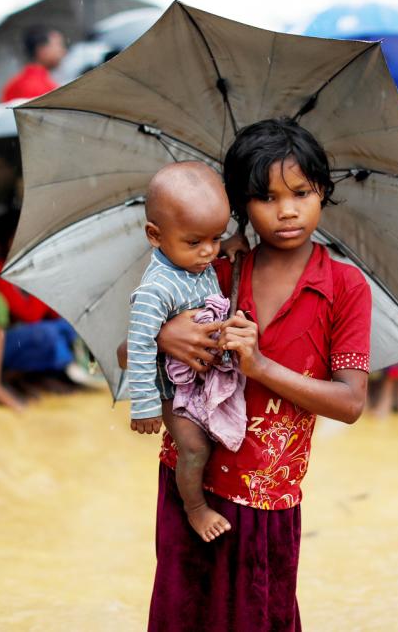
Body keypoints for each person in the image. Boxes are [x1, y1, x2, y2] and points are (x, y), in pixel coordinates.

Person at [142, 118, 371, 630]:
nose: (287, 210)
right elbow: (124, 350)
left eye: (302, 192)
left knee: (259, 617)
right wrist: (165, 337)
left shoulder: (343, 285)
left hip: (268, 497)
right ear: (242, 205)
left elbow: (350, 403)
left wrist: (260, 366)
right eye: (266, 197)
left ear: (323, 192)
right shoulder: (214, 273)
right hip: (192, 485)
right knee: (185, 615)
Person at [127, 161, 246, 543]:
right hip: (172, 389)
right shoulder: (155, 289)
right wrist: (144, 403)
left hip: (200, 376)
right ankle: (194, 508)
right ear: (154, 235)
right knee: (193, 449)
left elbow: (209, 248)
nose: (208, 252)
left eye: (216, 237)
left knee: (211, 442)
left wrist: (228, 246)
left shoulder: (197, 260)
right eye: (195, 242)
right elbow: (140, 344)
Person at [0, 209, 78, 406]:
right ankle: (7, 378)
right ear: (3, 241)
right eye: (17, 237)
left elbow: (55, 314)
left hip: (11, 342)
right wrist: (43, 282)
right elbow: (29, 316)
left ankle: (29, 376)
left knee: (67, 327)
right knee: (46, 335)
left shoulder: (27, 270)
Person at [1, 25, 66, 102]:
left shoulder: (14, 83)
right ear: (42, 49)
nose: (63, 52)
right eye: (58, 45)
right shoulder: (41, 88)